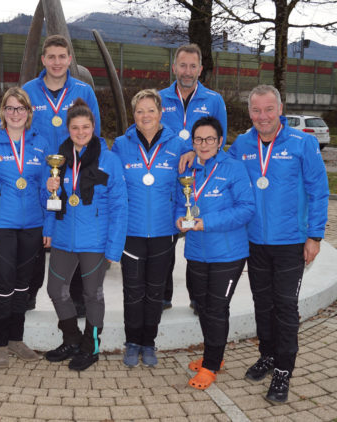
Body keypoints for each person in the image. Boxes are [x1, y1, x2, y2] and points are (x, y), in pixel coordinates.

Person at [227, 84, 329, 403]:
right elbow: (223, 175)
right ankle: (268, 355)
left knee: (285, 307)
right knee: (263, 304)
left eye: (269, 109)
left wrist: (315, 236)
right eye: (256, 110)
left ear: (280, 110)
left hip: (291, 243)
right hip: (255, 242)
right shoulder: (242, 144)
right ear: (249, 113)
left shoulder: (303, 143)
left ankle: (284, 371)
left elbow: (318, 191)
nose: (263, 116)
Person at [43, 98, 128, 371]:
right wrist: (49, 189)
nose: (81, 132)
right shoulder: (60, 158)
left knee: (92, 294)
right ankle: (71, 339)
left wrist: (114, 249)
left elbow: (119, 207)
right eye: (75, 127)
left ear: (94, 127)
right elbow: (54, 201)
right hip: (64, 236)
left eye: (86, 127)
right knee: (55, 289)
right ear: (68, 129)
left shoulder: (109, 159)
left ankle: (91, 346)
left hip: (95, 239)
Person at [174, 116, 254, 390]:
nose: (204, 144)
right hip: (197, 251)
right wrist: (179, 219)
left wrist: (207, 223)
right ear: (192, 142)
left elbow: (246, 208)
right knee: (204, 306)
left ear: (220, 142)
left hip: (228, 253)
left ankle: (210, 366)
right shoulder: (188, 170)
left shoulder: (234, 169)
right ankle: (214, 356)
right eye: (198, 139)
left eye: (209, 139)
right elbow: (179, 202)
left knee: (217, 308)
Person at [23, 34, 101, 314]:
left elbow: (96, 135)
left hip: (75, 175)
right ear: (43, 59)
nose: (57, 62)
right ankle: (28, 294)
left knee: (75, 233)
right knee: (34, 234)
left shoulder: (84, 90)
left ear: (70, 59)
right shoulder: (28, 91)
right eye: (51, 57)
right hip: (34, 174)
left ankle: (78, 298)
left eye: (62, 57)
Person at [0, 87, 51, 368]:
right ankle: (1, 343)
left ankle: (17, 340)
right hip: (0, 226)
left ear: (29, 113)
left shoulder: (40, 144)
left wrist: (48, 227)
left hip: (33, 224)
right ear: (3, 112)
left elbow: (46, 191)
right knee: (4, 284)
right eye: (10, 108)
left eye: (21, 108)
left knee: (23, 286)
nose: (15, 113)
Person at [110, 89, 187, 368]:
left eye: (151, 110)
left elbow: (183, 190)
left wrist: (181, 218)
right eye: (140, 111)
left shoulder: (177, 146)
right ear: (134, 115)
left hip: (164, 232)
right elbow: (114, 189)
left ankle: (149, 342)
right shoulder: (120, 144)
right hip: (131, 232)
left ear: (160, 112)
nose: (145, 116)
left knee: (155, 291)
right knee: (133, 291)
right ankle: (132, 342)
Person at [159, 43, 228, 311]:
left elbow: (219, 142)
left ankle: (198, 298)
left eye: (192, 66)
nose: (187, 71)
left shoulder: (214, 100)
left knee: (198, 239)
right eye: (182, 65)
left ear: (200, 69)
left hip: (202, 182)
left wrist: (196, 155)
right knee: (166, 240)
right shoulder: (159, 99)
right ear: (174, 67)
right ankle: (163, 296)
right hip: (167, 182)